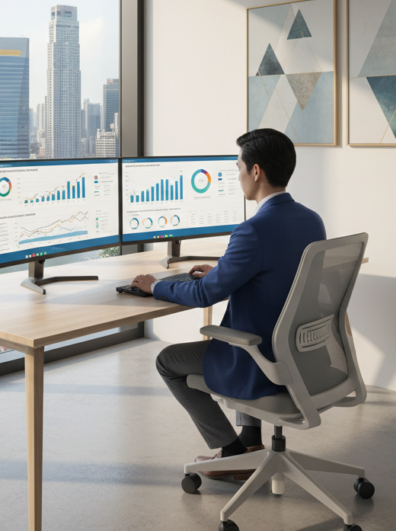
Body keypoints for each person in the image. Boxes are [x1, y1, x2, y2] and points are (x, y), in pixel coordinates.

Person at [130, 128, 326, 480]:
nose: (237, 176)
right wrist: (223, 271)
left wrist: (155, 286)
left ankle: (232, 453)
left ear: (256, 171)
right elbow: (276, 272)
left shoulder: (253, 230)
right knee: (242, 335)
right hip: (303, 356)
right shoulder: (312, 220)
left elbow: (204, 295)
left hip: (262, 360)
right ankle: (250, 442)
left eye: (238, 167)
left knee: (168, 361)